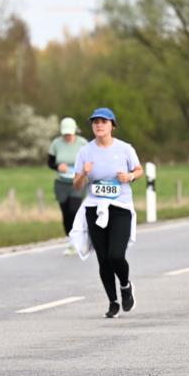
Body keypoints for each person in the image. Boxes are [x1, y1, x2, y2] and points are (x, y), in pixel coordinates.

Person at [71, 108, 143, 318]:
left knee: (116, 255)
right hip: (94, 208)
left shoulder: (125, 148)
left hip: (120, 207)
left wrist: (129, 176)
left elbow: (139, 170)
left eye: (103, 121)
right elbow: (76, 186)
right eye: (95, 122)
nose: (99, 125)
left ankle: (125, 285)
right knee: (103, 259)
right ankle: (112, 302)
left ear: (112, 125)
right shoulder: (85, 151)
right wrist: (84, 172)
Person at [48, 117, 88, 255]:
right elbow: (50, 163)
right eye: (65, 134)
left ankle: (79, 240)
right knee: (66, 213)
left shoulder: (82, 143)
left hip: (78, 182)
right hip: (61, 183)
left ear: (75, 131)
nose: (67, 136)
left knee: (74, 210)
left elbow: (90, 162)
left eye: (70, 134)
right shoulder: (56, 144)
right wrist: (59, 166)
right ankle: (71, 241)